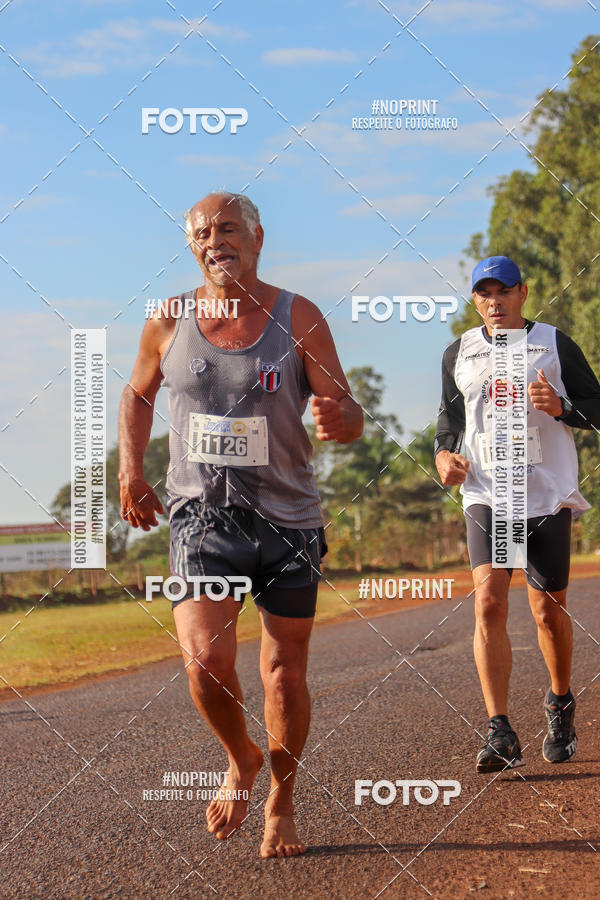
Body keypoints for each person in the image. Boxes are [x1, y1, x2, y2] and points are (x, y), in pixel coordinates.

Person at [118, 192, 363, 856]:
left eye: (228, 228)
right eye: (202, 232)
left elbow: (345, 404)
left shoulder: (298, 315)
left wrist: (343, 418)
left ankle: (281, 799)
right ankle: (240, 757)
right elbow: (137, 394)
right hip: (202, 517)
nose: (214, 239)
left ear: (258, 236)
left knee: (283, 673)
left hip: (289, 519)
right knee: (205, 662)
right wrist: (130, 473)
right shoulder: (168, 319)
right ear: (192, 245)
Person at [434, 255, 600, 772]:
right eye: (484, 293)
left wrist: (563, 408)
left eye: (502, 291)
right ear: (476, 300)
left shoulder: (553, 344)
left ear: (522, 293)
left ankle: (559, 702)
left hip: (544, 493)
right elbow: (448, 423)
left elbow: (597, 406)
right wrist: (443, 456)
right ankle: (499, 729)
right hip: (488, 493)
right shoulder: (458, 353)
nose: (494, 301)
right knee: (488, 601)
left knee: (547, 611)